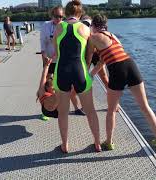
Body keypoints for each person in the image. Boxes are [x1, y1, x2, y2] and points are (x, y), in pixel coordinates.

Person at [88, 14, 156, 150]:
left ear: (93, 25)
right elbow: (103, 60)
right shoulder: (113, 36)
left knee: (111, 110)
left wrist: (87, 74)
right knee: (145, 107)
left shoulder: (93, 38)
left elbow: (89, 60)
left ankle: (109, 142)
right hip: (131, 65)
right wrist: (92, 75)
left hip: (117, 69)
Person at [52, 0, 101, 153]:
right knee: (91, 110)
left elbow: (57, 53)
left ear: (66, 13)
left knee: (63, 112)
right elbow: (90, 53)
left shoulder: (59, 27)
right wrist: (86, 68)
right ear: (80, 14)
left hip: (61, 71)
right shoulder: (85, 28)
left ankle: (65, 145)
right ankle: (97, 143)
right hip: (80, 71)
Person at [40, 6, 85, 116]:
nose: (59, 18)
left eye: (61, 16)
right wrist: (44, 56)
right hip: (49, 59)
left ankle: (76, 108)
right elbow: (43, 42)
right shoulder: (46, 26)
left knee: (68, 87)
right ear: (52, 16)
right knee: (47, 86)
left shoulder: (66, 26)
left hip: (62, 61)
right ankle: (46, 109)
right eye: (56, 16)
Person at [81, 15, 109, 87]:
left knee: (104, 78)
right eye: (84, 23)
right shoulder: (80, 29)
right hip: (85, 54)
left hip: (96, 54)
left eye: (89, 24)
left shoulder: (95, 31)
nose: (86, 25)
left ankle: (112, 94)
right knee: (83, 78)